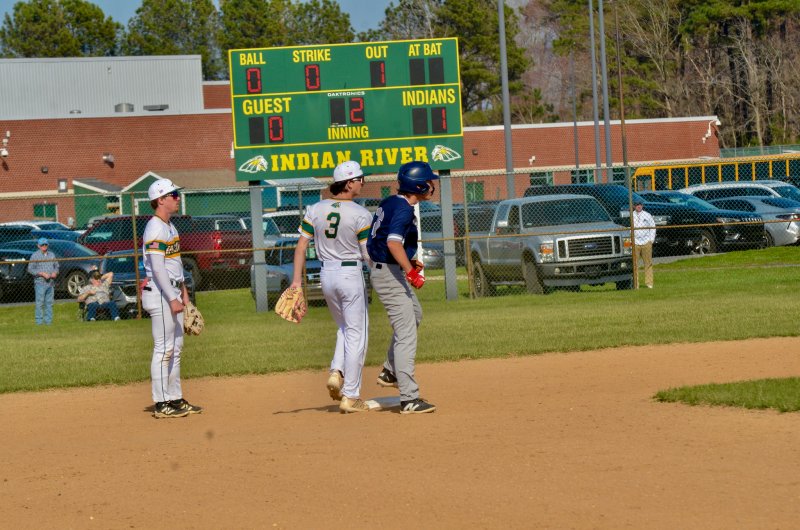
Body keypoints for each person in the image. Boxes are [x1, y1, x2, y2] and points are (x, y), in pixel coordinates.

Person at [291, 161, 374, 414]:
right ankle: (351, 395)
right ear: (349, 183)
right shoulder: (360, 214)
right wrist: (383, 274)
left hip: (326, 274)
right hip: (350, 273)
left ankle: (336, 371)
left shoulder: (315, 209)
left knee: (344, 328)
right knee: (358, 333)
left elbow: (301, 247)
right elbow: (366, 253)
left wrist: (296, 281)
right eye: (360, 179)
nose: (362, 183)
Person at [366, 160, 438, 414]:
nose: (431, 185)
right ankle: (409, 399)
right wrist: (411, 272)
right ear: (416, 184)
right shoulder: (405, 209)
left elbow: (386, 241)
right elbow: (394, 243)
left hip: (388, 269)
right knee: (406, 333)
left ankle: (389, 370)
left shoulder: (391, 201)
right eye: (428, 181)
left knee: (415, 315)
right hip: (388, 273)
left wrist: (408, 262)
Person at [142, 178, 202, 419]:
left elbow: (174, 265)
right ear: (160, 200)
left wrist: (184, 294)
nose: (177, 198)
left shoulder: (170, 226)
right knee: (164, 349)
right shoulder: (155, 227)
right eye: (173, 194)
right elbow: (157, 268)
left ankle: (174, 398)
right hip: (160, 295)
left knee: (176, 349)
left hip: (172, 292)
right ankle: (160, 402)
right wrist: (172, 298)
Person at [27, 237, 58, 325]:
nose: (44, 246)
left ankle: (48, 322)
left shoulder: (51, 255)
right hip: (40, 282)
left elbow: (56, 266)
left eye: (45, 244)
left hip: (50, 283)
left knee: (49, 303)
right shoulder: (35, 255)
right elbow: (30, 269)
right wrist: (41, 273)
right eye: (42, 245)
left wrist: (55, 272)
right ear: (38, 246)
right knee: (40, 303)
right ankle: (39, 322)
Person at [632, 199, 656, 289]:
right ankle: (636, 284)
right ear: (634, 206)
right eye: (637, 204)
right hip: (635, 243)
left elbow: (653, 227)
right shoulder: (631, 215)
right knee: (635, 264)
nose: (639, 206)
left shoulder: (647, 215)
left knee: (648, 263)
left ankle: (649, 283)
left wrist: (651, 240)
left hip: (646, 242)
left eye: (640, 204)